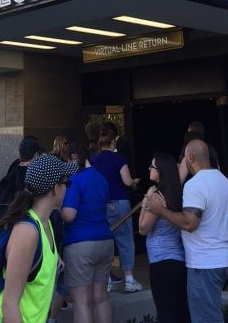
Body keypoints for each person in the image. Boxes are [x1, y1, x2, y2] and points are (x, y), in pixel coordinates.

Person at [145, 140, 228, 323]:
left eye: (185, 159)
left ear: (190, 158)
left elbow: (189, 223)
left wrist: (161, 210)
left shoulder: (196, 185)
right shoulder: (224, 181)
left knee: (205, 318)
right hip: (222, 259)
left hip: (204, 263)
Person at [0, 154, 73, 323]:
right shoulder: (27, 232)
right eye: (67, 183)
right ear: (55, 188)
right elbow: (9, 305)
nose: (68, 188)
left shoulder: (45, 223)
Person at [61, 141, 114, 323]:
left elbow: (69, 215)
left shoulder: (75, 180)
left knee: (81, 301)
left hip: (80, 243)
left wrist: (54, 208)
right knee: (100, 297)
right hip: (105, 239)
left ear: (75, 157)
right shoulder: (101, 178)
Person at [138, 153, 190, 323]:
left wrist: (147, 198)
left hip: (161, 261)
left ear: (160, 171)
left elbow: (143, 228)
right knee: (180, 310)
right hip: (179, 260)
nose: (149, 168)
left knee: (166, 312)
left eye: (152, 166)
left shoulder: (157, 197)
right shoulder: (177, 192)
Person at [91, 128, 142, 292]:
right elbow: (127, 181)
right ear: (113, 141)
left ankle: (107, 281)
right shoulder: (119, 159)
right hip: (120, 203)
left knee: (106, 243)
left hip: (102, 204)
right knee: (125, 241)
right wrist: (134, 181)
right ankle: (129, 279)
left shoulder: (95, 160)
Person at [0, 135, 42, 225]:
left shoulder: (15, 166)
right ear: (36, 154)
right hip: (21, 221)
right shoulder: (34, 173)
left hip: (5, 219)